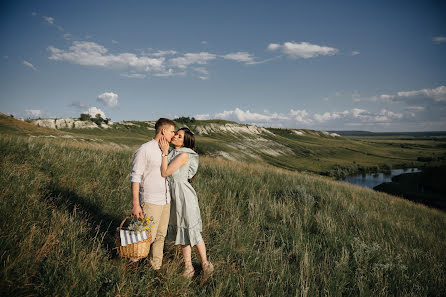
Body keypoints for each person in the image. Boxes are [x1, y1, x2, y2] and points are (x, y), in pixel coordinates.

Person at [158, 127, 214, 280]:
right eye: (176, 134)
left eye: (179, 136)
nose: (175, 136)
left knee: (193, 233)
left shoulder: (183, 155)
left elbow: (165, 172)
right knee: (182, 232)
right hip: (174, 196)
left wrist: (164, 151)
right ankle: (188, 267)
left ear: (185, 142)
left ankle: (205, 264)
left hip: (184, 197)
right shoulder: (172, 152)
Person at [129, 118, 175, 271]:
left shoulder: (166, 150)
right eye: (172, 131)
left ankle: (156, 268)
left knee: (160, 236)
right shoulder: (145, 149)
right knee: (146, 236)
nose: (173, 135)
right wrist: (136, 204)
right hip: (150, 201)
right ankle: (132, 264)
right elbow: (135, 177)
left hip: (165, 200)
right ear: (163, 131)